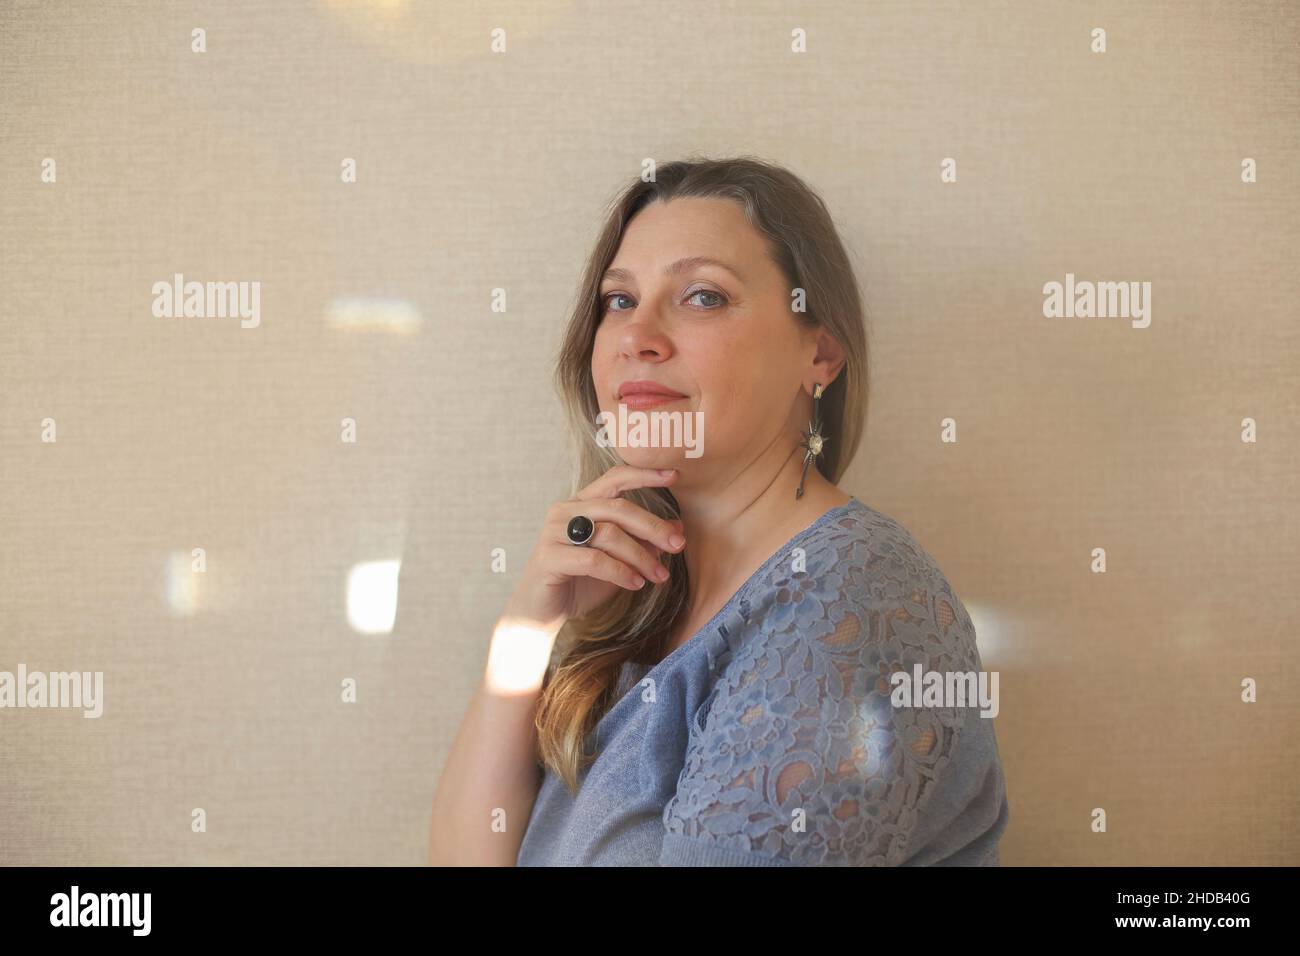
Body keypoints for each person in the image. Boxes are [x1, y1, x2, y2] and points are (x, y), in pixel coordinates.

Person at [428, 155, 1009, 866]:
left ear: (820, 353)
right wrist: (526, 627)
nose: (637, 336)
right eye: (618, 300)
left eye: (702, 296)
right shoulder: (631, 603)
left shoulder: (853, 598)